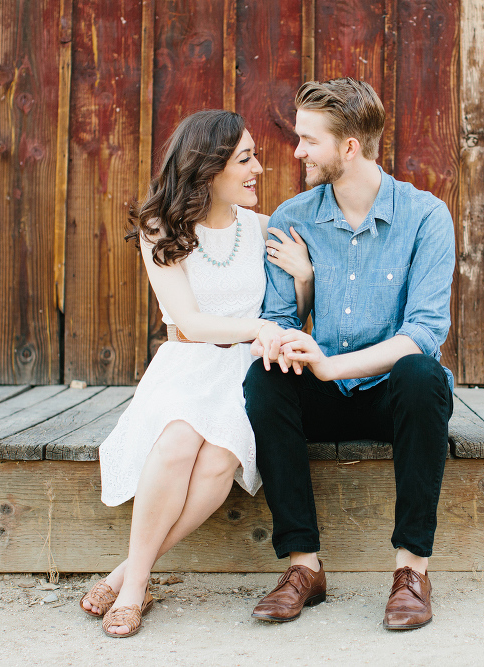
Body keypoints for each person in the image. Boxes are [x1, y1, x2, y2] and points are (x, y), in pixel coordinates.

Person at [79, 109, 313, 638]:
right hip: (188, 365)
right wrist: (256, 326)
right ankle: (137, 588)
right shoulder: (159, 229)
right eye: (245, 159)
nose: (260, 168)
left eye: (256, 156)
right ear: (208, 168)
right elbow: (187, 319)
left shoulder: (264, 228)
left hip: (248, 372)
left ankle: (126, 573)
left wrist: (304, 279)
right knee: (178, 441)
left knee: (217, 461)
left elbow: (288, 321)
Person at [243, 78, 455, 631]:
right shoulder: (292, 219)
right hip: (324, 393)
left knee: (422, 374)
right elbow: (281, 320)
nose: (297, 151)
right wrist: (280, 335)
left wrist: (332, 364)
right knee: (263, 380)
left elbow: (425, 332)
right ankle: (304, 567)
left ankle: (411, 571)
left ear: (350, 148)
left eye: (309, 140)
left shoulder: (426, 217)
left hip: (392, 395)